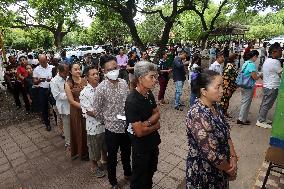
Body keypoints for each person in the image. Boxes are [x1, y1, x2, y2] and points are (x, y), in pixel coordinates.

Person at [186, 70, 238, 188]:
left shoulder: (215, 106)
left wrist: (233, 156)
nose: (222, 91)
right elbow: (212, 155)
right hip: (205, 172)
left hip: (222, 167)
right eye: (218, 87)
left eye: (222, 86)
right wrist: (230, 169)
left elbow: (226, 134)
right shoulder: (198, 115)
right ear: (204, 91)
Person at [93, 55, 131, 189]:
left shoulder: (124, 83)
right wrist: (108, 121)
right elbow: (97, 111)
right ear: (103, 71)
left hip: (126, 126)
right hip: (111, 129)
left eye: (115, 68)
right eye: (110, 69)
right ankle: (113, 181)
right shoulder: (100, 89)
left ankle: (128, 174)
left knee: (127, 153)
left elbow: (128, 103)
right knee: (112, 158)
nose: (114, 71)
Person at [125, 61, 161, 189]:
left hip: (153, 143)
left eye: (155, 76)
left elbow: (157, 113)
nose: (155, 80)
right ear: (140, 79)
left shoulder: (149, 93)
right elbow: (139, 132)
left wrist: (147, 123)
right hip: (141, 149)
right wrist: (155, 126)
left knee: (150, 174)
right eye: (151, 77)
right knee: (139, 179)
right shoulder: (132, 101)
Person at [79, 66, 107, 178]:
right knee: (94, 148)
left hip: (105, 124)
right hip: (93, 126)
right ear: (87, 78)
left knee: (105, 145)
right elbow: (90, 111)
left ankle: (105, 160)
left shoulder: (102, 88)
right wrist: (107, 114)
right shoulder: (84, 93)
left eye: (97, 73)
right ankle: (94, 167)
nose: (96, 76)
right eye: (93, 74)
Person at [65, 63, 88, 160]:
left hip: (87, 108)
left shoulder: (85, 80)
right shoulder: (68, 84)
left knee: (88, 130)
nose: (78, 71)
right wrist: (84, 108)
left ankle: (91, 150)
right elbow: (71, 101)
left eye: (79, 69)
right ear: (70, 71)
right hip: (77, 110)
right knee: (79, 130)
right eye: (75, 69)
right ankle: (82, 153)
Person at [256, 44, 283, 129]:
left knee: (265, 103)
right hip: (272, 86)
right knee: (267, 104)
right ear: (274, 52)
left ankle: (262, 118)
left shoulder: (267, 60)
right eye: (280, 51)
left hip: (268, 85)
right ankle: (260, 120)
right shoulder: (275, 62)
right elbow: (281, 74)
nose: (281, 52)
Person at [237, 50, 262, 125]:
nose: (256, 58)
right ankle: (241, 119)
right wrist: (260, 75)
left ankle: (243, 118)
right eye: (256, 57)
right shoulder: (251, 64)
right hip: (248, 86)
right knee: (246, 103)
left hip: (243, 84)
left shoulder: (246, 63)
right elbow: (254, 77)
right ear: (254, 56)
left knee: (244, 101)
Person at [50, 63, 71, 148]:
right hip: (64, 107)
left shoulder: (69, 78)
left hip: (72, 105)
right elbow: (57, 96)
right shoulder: (54, 81)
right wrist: (69, 95)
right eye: (65, 73)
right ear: (60, 71)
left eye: (67, 72)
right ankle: (68, 143)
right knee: (67, 126)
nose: (67, 75)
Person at [33, 54, 54, 131]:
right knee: (44, 107)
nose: (43, 63)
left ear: (47, 60)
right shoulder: (36, 69)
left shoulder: (52, 67)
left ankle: (57, 121)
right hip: (42, 90)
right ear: (39, 61)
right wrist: (40, 80)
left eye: (44, 61)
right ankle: (47, 124)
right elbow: (34, 82)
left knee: (54, 106)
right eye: (41, 62)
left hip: (52, 89)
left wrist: (52, 79)